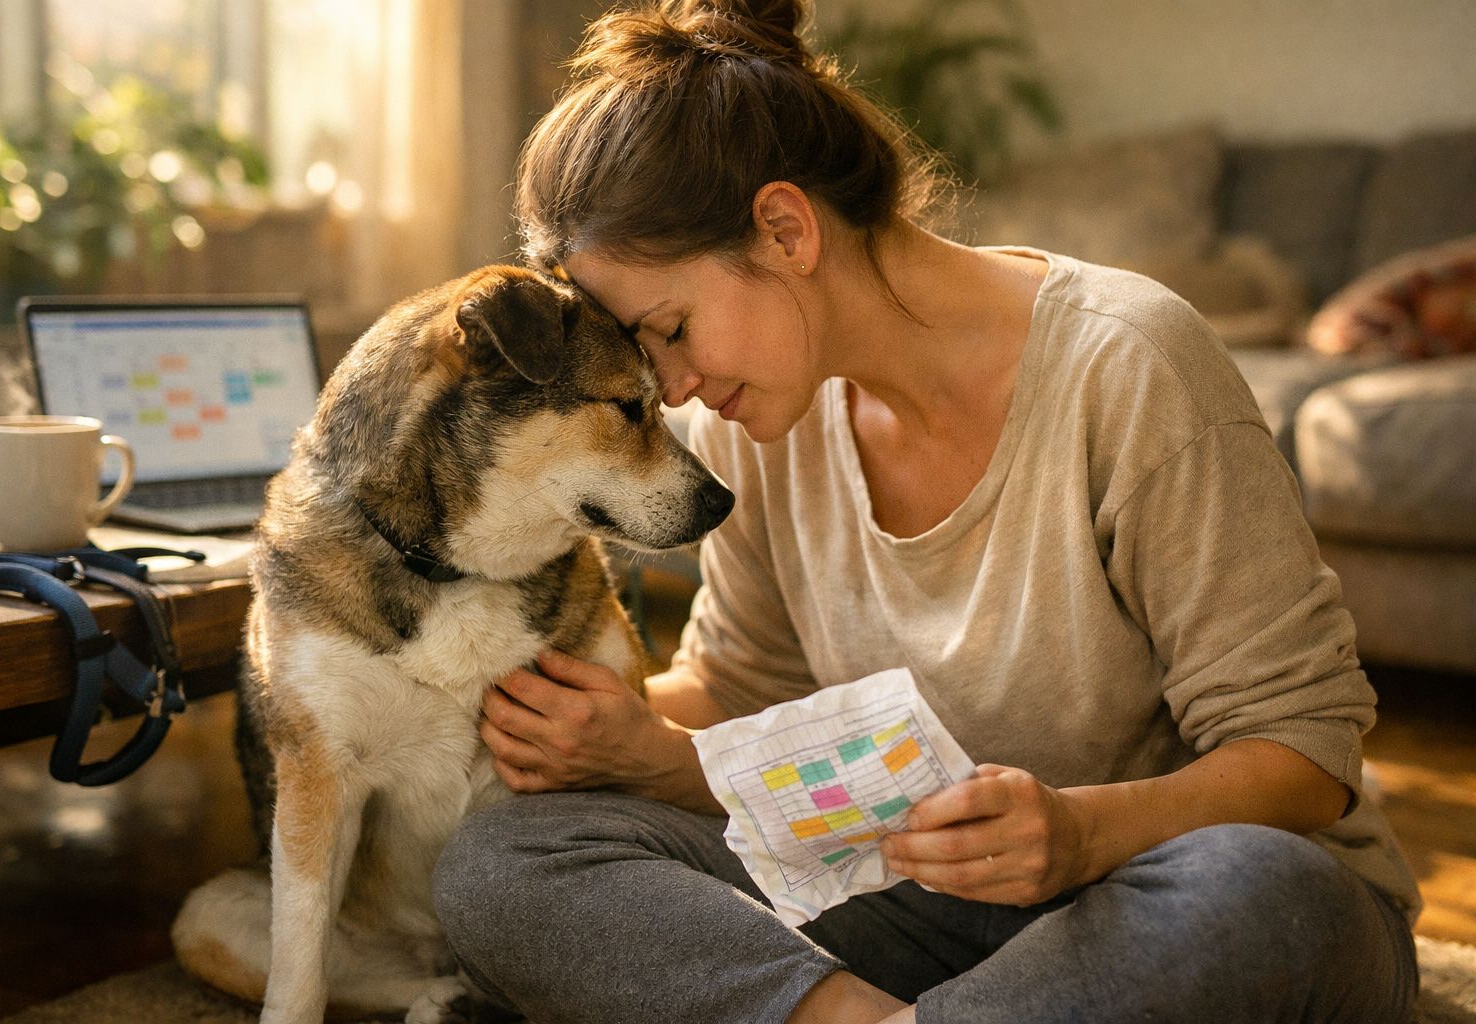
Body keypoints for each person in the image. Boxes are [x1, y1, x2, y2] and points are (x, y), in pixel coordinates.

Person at [433, 1, 1422, 1021]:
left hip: (1160, 895)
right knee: (505, 861)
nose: (674, 388)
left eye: (674, 329)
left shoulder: (1126, 363)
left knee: (1265, 897)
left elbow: (1303, 758)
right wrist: (601, 725)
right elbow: (744, 685)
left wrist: (1079, 836)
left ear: (785, 228)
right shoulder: (755, 420)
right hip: (930, 908)